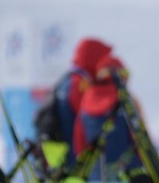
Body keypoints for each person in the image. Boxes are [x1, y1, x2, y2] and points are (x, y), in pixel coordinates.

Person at [38, 37, 112, 169]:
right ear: (92, 58)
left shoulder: (68, 80)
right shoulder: (81, 85)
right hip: (75, 159)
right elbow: (88, 121)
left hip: (64, 154)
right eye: (103, 59)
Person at [73, 52, 141, 180]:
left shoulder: (87, 98)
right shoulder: (126, 100)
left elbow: (79, 142)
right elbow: (139, 137)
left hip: (96, 175)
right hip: (127, 174)